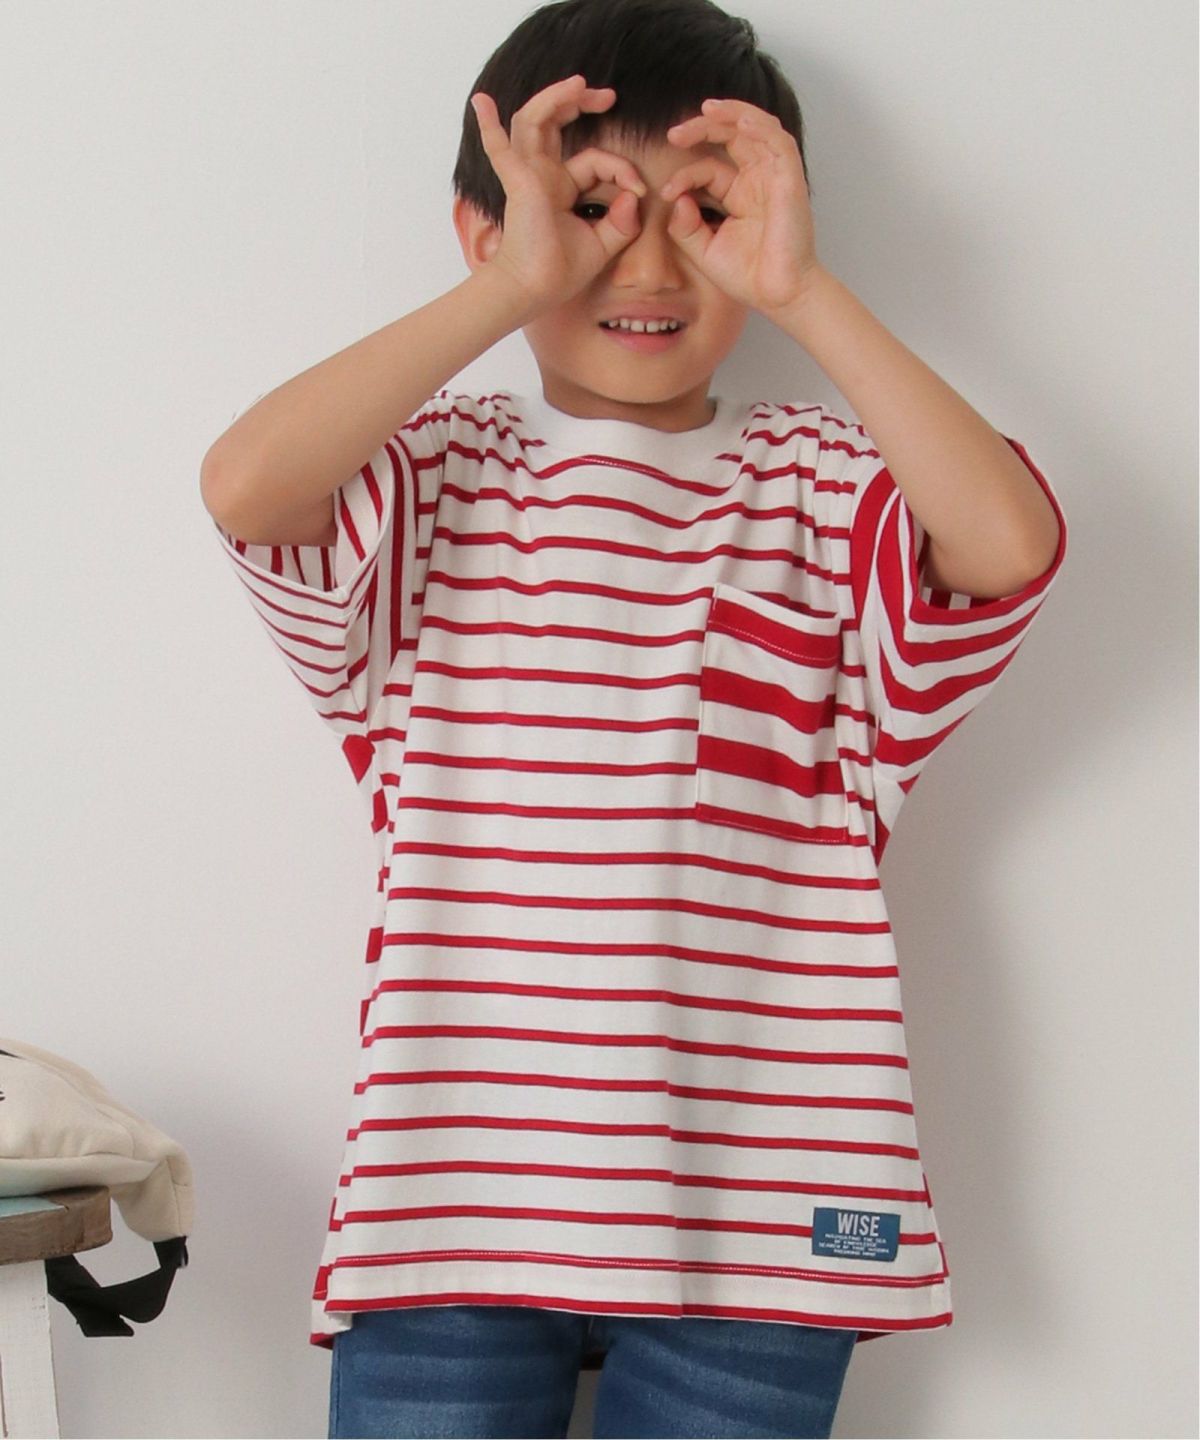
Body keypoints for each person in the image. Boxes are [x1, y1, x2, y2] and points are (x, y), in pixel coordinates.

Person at [199, 1, 1068, 1435]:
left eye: (705, 213)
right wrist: (507, 288)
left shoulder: (823, 486)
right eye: (592, 209)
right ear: (488, 230)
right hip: (455, 1192)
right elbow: (246, 488)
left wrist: (805, 290)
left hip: (770, 1196)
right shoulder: (436, 483)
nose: (649, 263)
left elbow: (1008, 545)